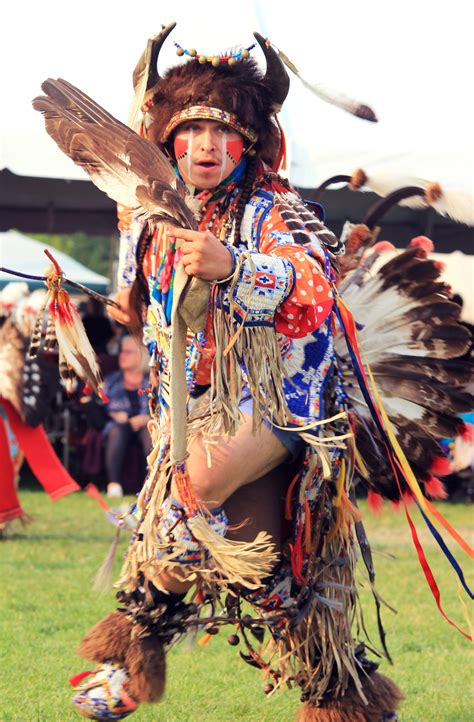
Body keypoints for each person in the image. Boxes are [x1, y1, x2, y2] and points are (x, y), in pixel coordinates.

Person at [32, 25, 472, 722]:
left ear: (253, 143)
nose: (206, 147)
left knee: (197, 483)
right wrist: (122, 298)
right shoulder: (147, 215)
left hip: (285, 404)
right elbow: (132, 301)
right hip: (191, 409)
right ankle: (345, 698)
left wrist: (233, 265)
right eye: (192, 131)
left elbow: (312, 287)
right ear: (166, 140)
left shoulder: (273, 211)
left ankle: (125, 664)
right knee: (253, 558)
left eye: (224, 132)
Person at [102, 335, 151, 497]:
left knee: (150, 432)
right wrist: (113, 414)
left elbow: (162, 406)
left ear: (141, 356)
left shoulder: (152, 381)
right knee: (117, 431)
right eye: (121, 352)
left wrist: (148, 418)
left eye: (128, 352)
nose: (122, 356)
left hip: (145, 423)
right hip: (118, 425)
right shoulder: (111, 380)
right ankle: (114, 485)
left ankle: (151, 484)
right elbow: (98, 405)